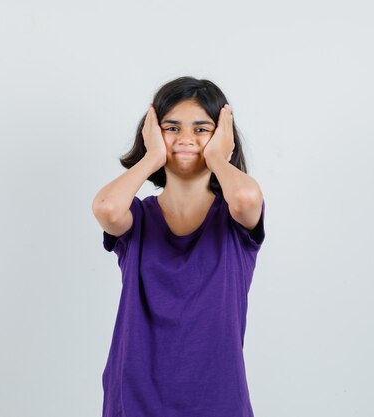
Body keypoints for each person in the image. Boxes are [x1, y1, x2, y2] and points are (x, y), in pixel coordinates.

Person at [91, 76, 266, 417]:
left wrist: (219, 159)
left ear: (222, 138)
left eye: (202, 129)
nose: (186, 138)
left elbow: (246, 197)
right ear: (153, 134)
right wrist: (152, 156)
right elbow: (106, 209)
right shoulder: (137, 218)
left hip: (218, 398)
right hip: (135, 396)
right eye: (172, 128)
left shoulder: (234, 219)